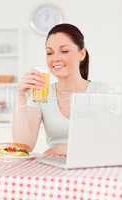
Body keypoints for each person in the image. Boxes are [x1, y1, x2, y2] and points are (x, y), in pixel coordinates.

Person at [12, 23, 108, 156]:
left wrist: (63, 148)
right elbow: (23, 147)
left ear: (82, 54)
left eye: (64, 51)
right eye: (49, 53)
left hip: (96, 168)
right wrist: (20, 96)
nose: (55, 58)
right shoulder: (42, 95)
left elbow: (111, 144)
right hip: (55, 169)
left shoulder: (102, 92)